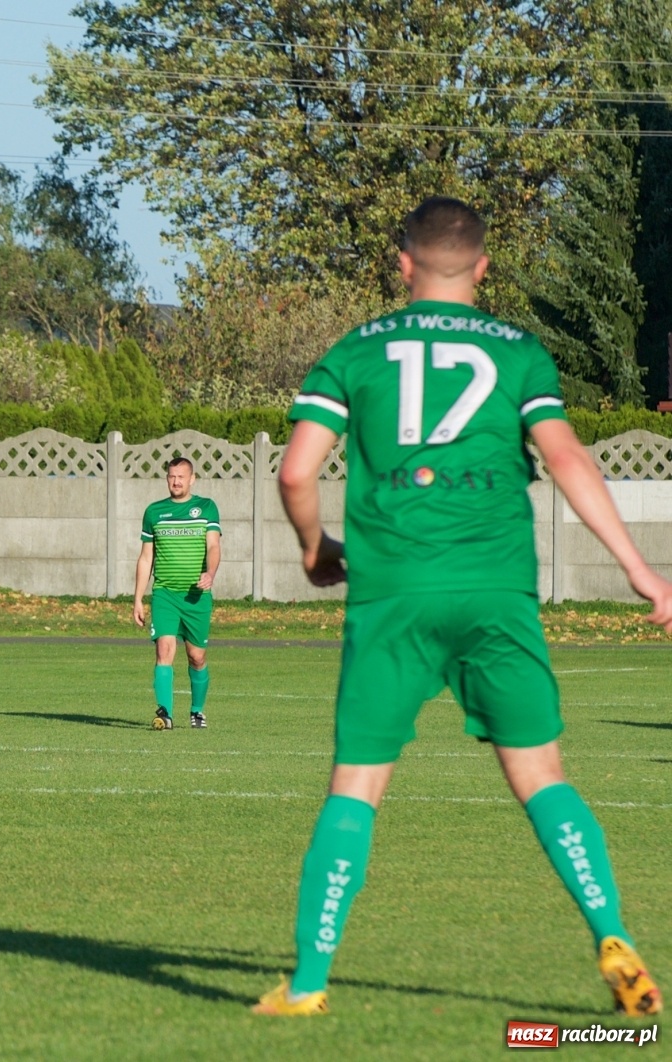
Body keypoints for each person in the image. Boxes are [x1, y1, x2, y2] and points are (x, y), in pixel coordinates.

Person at [254, 197, 667, 1017]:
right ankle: (613, 936)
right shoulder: (518, 352)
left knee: (356, 785)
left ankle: (306, 985)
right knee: (542, 777)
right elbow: (566, 457)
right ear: (482, 268)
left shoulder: (356, 350)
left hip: (394, 591)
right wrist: (641, 570)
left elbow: (297, 470)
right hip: (495, 588)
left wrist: (313, 547)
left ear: (403, 263)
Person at [133, 457, 220, 729]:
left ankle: (197, 711)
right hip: (165, 594)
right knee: (164, 649)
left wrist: (210, 574)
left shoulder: (206, 508)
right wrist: (138, 598)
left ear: (192, 479)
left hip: (196, 597)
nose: (176, 481)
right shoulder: (154, 512)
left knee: (197, 657)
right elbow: (146, 558)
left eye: (181, 476)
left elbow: (213, 546)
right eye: (172, 476)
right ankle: (164, 714)